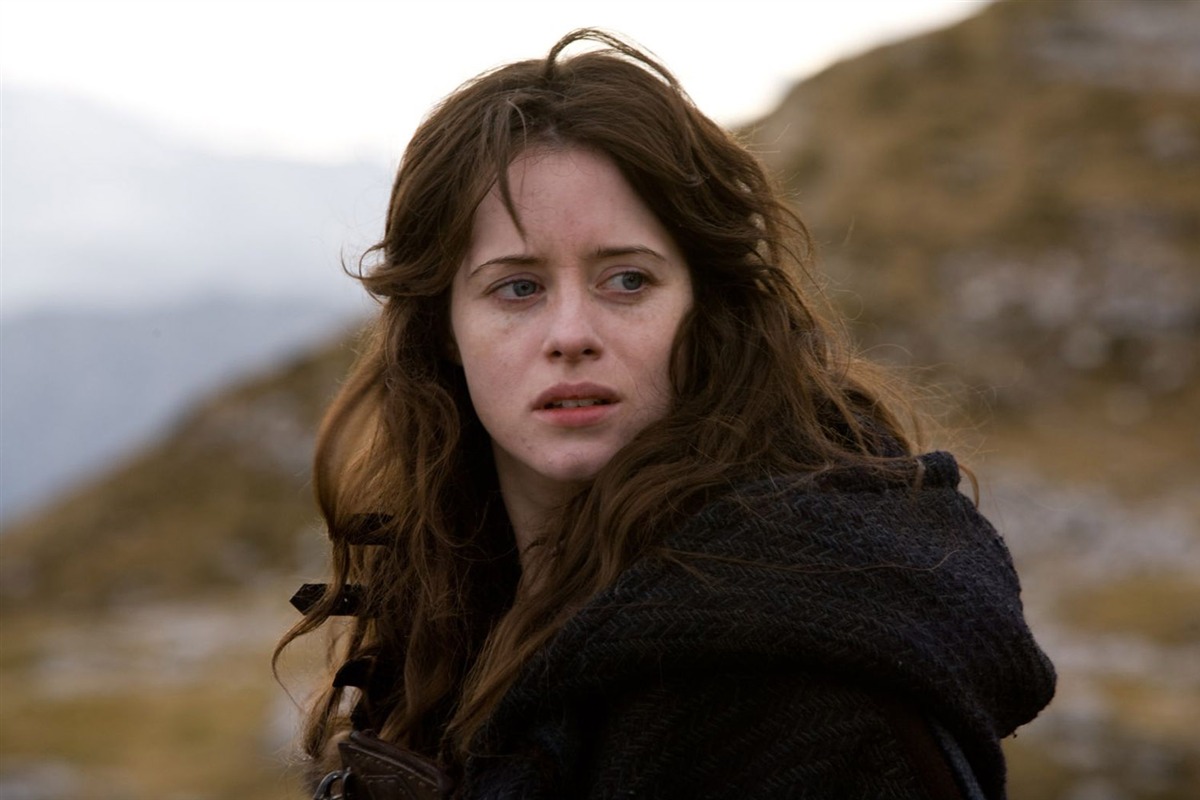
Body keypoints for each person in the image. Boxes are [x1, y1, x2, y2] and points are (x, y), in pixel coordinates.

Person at [278, 29, 1055, 799]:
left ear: (705, 310)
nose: (571, 334)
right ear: (445, 328)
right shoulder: (445, 617)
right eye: (518, 288)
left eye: (627, 281)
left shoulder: (796, 672)